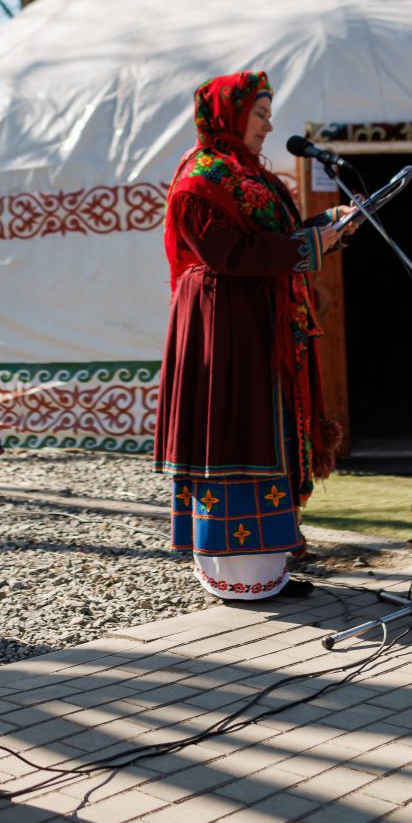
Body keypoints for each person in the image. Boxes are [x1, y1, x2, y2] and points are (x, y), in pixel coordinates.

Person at [153, 71, 348, 602]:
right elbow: (226, 254)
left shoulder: (255, 177)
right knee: (236, 439)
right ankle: (233, 576)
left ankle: (268, 569)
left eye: (267, 114)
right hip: (224, 331)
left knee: (272, 437)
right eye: (260, 114)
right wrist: (304, 246)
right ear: (230, 115)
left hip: (262, 327)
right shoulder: (201, 179)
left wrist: (326, 226)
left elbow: (271, 240)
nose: (268, 125)